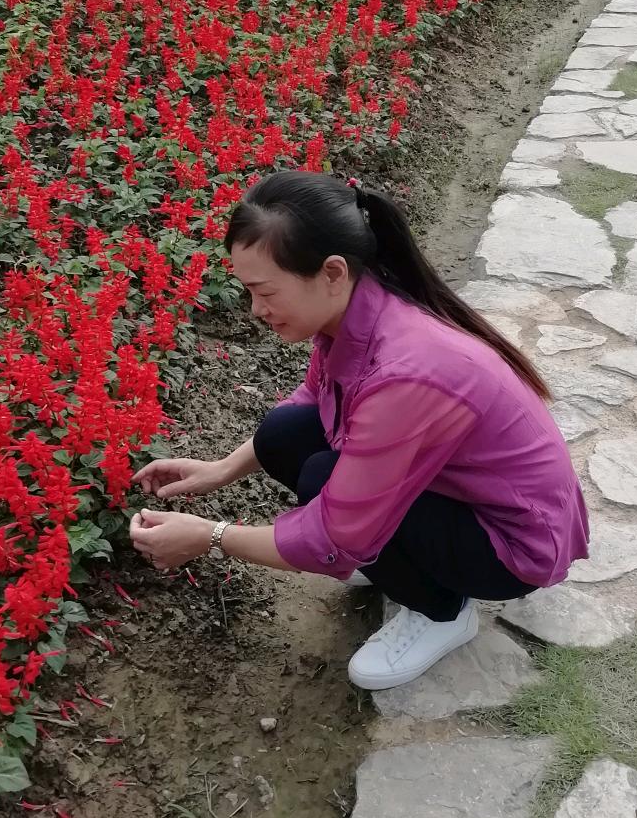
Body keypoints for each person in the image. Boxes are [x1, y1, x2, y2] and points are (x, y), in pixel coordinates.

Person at [129, 170, 589, 690]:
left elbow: (329, 535)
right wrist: (220, 471)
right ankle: (392, 559)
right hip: (456, 491)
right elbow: (312, 401)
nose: (255, 310)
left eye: (264, 291)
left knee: (324, 482)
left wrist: (209, 537)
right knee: (285, 431)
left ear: (331, 272)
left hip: (509, 545)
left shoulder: (407, 371)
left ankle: (441, 612)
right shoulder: (357, 309)